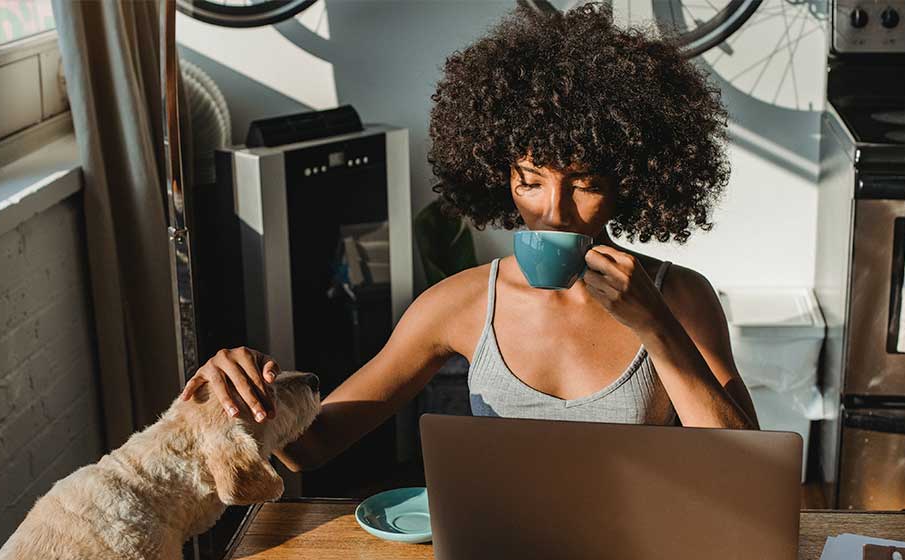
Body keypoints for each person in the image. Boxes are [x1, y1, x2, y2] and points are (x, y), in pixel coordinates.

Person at [179, 4, 759, 472]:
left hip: (643, 557)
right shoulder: (457, 305)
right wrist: (246, 394)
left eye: (585, 184)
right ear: (498, 174)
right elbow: (312, 446)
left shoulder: (678, 297)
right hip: (498, 558)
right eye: (529, 182)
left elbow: (748, 470)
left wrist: (656, 326)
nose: (552, 213)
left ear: (631, 184)